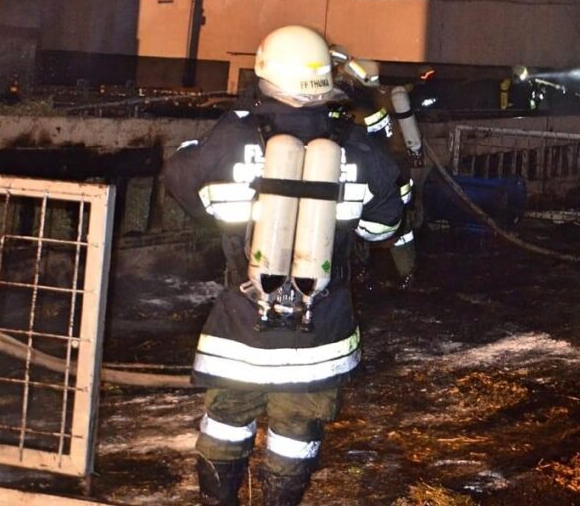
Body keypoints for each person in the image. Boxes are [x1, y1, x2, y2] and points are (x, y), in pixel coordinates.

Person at [165, 25, 402, 506]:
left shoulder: (232, 135)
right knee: (296, 434)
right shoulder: (357, 146)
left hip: (240, 328)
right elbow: (383, 229)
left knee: (226, 424)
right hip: (320, 333)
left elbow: (183, 184)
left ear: (265, 72)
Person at [328, 47, 420, 286]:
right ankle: (406, 273)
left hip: (370, 175)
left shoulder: (353, 111)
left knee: (348, 218)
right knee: (400, 227)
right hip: (392, 177)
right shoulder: (376, 104)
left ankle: (358, 270)